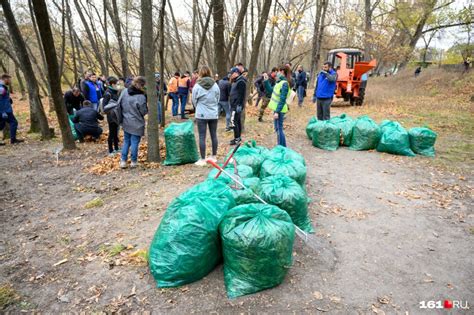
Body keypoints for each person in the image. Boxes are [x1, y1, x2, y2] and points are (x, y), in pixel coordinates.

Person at [192, 65, 220, 166]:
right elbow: (218, 98)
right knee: (213, 135)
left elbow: (194, 100)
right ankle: (214, 156)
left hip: (201, 114)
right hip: (213, 113)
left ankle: (203, 159)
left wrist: (198, 107)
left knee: (202, 136)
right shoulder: (215, 85)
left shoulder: (197, 85)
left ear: (200, 73)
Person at [118, 76, 148, 169]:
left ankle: (123, 161)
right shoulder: (141, 96)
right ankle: (133, 161)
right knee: (134, 142)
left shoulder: (124, 92)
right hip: (137, 122)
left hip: (126, 121)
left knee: (126, 141)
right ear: (140, 85)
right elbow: (143, 111)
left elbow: (118, 104)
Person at [264, 65, 291, 147]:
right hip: (277, 109)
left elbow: (282, 99)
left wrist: (277, 112)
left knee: (279, 129)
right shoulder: (279, 82)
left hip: (279, 110)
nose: (276, 73)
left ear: (282, 72)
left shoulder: (284, 84)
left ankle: (281, 147)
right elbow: (270, 91)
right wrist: (266, 81)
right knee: (277, 129)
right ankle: (281, 147)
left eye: (278, 71)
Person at [0, 73, 23, 144]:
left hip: (5, 109)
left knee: (1, 125)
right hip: (5, 110)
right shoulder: (1, 88)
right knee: (14, 122)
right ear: (5, 79)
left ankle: (13, 139)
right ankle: (13, 140)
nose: (10, 81)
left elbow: (3, 97)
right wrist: (3, 111)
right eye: (9, 80)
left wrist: (9, 99)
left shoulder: (3, 87)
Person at [102, 76, 121, 156]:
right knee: (112, 132)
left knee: (116, 132)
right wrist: (113, 107)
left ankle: (116, 148)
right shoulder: (108, 93)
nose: (118, 85)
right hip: (111, 116)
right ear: (112, 84)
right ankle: (110, 150)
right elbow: (104, 107)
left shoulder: (115, 91)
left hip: (117, 115)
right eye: (117, 84)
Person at [229, 67, 247, 145]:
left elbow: (241, 95)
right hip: (234, 104)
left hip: (236, 105)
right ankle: (238, 138)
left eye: (231, 74)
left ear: (236, 73)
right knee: (237, 121)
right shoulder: (236, 81)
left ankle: (237, 139)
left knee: (234, 122)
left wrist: (239, 105)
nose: (230, 75)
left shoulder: (241, 81)